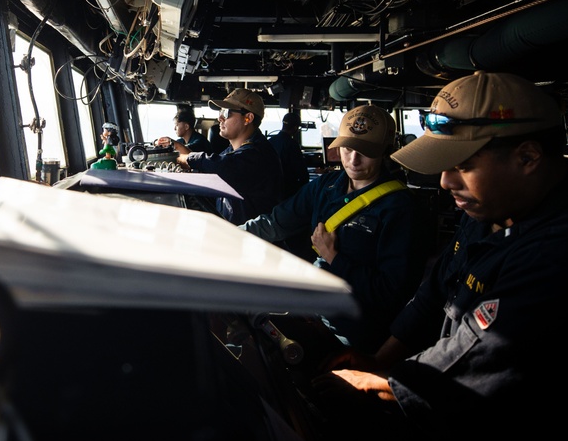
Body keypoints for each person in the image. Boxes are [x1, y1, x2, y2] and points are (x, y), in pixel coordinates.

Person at [305, 71, 568, 441]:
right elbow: (435, 294)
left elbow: (483, 353)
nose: (445, 182)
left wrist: (373, 382)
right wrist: (380, 359)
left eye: (462, 165)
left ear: (527, 157)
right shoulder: (492, 209)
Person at [240, 104, 431, 356]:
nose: (353, 160)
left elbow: (391, 293)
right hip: (317, 311)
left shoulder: (400, 208)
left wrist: (335, 258)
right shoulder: (327, 185)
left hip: (355, 335)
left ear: (386, 151)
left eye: (366, 151)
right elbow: (276, 222)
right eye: (348, 148)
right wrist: (227, 235)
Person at [175, 88, 283, 225]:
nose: (219, 118)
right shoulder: (230, 152)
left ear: (248, 118)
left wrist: (189, 158)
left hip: (254, 240)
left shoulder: (259, 154)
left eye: (226, 113)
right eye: (221, 112)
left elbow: (226, 167)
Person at [266, 111, 310, 200]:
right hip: (288, 191)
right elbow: (301, 173)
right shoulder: (292, 144)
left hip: (270, 190)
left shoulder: (270, 141)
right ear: (295, 128)